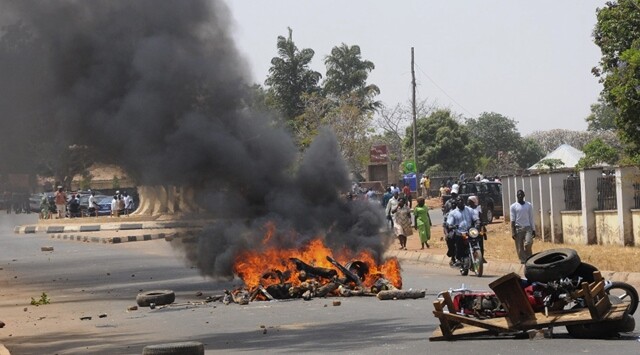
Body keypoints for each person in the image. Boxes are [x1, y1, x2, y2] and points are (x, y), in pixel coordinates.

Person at [446, 196, 480, 266]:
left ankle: (479, 255)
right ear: (456, 203)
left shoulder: (470, 210)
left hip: (470, 231)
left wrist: (477, 223)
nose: (460, 202)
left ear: (464, 201)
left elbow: (476, 218)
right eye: (458, 200)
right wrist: (451, 226)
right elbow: (449, 224)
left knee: (480, 236)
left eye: (462, 200)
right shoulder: (453, 213)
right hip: (460, 232)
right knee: (457, 240)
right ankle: (458, 258)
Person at [510, 189, 536, 264]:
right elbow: (512, 220)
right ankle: (524, 261)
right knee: (519, 248)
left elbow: (531, 218)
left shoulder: (529, 205)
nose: (520, 196)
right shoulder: (513, 206)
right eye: (519, 195)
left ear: (524, 195)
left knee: (528, 243)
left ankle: (529, 257)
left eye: (521, 194)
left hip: (528, 227)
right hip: (518, 228)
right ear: (517, 196)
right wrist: (513, 231)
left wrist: (533, 229)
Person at [467, 195, 486, 262]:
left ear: (473, 201)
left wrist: (483, 229)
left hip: (478, 228)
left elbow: (481, 219)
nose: (468, 202)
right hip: (470, 228)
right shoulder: (467, 209)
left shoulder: (478, 208)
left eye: (469, 201)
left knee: (480, 243)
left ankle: (481, 257)